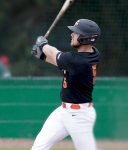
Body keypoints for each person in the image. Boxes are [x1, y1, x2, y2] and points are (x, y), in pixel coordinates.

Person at [31, 19, 100, 150]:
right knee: (39, 147)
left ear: (86, 38)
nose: (72, 34)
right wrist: (42, 56)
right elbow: (62, 62)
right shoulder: (92, 54)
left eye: (76, 33)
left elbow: (54, 53)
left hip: (80, 117)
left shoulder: (77, 61)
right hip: (63, 112)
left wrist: (42, 44)